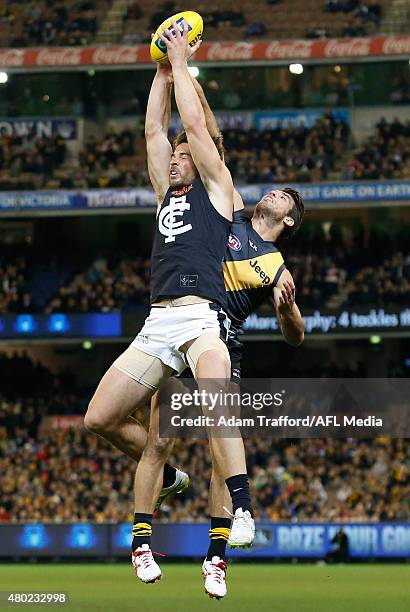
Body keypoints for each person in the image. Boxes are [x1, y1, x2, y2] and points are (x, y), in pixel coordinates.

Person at [84, 19, 255, 585]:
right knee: (100, 418)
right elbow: (155, 128)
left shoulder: (218, 188)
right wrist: (159, 69)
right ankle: (174, 477)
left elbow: (193, 129)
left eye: (186, 154)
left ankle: (242, 509)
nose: (177, 156)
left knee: (216, 401)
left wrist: (181, 64)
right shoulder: (167, 191)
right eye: (176, 155)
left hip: (201, 317)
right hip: (158, 322)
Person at [131, 79, 305, 596]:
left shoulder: (273, 263)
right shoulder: (223, 204)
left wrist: (289, 309)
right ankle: (165, 492)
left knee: (217, 443)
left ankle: (217, 555)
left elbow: (296, 336)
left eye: (285, 196)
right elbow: (206, 133)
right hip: (179, 320)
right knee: (158, 439)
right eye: (274, 189)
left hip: (218, 336)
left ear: (289, 218)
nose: (273, 192)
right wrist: (193, 83)